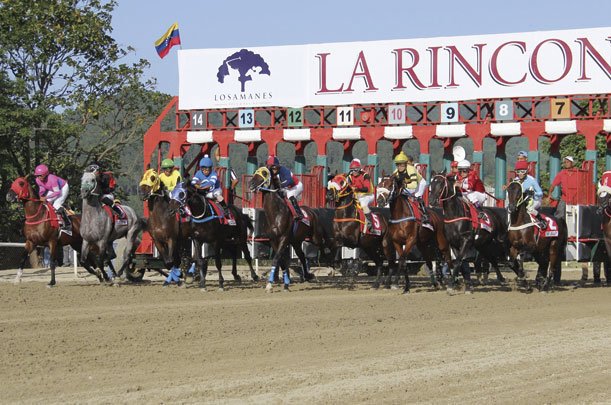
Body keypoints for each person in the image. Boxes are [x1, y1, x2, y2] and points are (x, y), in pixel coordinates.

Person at [392, 151, 429, 222]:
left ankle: (425, 215)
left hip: (419, 183)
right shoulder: (397, 170)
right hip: (409, 184)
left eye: (401, 164)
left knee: (417, 197)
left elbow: (414, 186)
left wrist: (404, 186)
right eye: (398, 164)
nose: (399, 166)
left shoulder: (411, 169)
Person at [34, 164, 71, 230]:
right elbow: (42, 189)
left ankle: (67, 223)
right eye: (37, 175)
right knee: (45, 204)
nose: (39, 177)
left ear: (45, 174)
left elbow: (57, 192)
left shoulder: (52, 179)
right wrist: (40, 196)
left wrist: (46, 197)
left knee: (56, 205)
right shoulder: (37, 180)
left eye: (40, 175)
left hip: (63, 188)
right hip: (53, 189)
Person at [266, 155, 303, 220]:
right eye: (271, 168)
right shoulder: (273, 173)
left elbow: (290, 181)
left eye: (274, 168)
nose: (272, 170)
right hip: (287, 188)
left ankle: (299, 214)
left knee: (290, 195)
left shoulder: (284, 170)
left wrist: (281, 186)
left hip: (296, 186)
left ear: (277, 166)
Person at [514, 160, 546, 229]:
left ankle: (541, 220)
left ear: (526, 171)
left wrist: (533, 193)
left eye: (522, 171)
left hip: (535, 200)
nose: (520, 174)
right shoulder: (515, 180)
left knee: (529, 209)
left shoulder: (532, 180)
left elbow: (540, 193)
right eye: (518, 172)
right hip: (522, 201)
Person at [346, 158, 374, 230]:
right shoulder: (349, 176)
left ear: (359, 169)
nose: (354, 172)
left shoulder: (365, 175)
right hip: (358, 195)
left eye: (355, 170)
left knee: (363, 203)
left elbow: (366, 188)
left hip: (368, 195)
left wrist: (357, 189)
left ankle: (370, 222)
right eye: (352, 170)